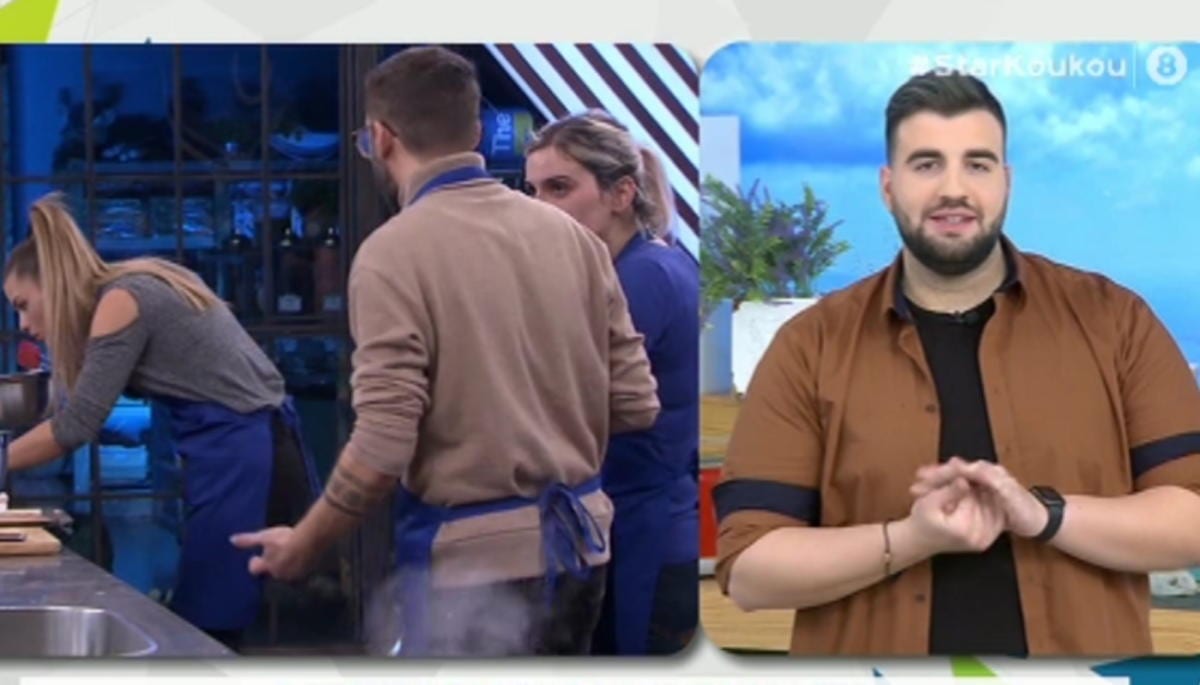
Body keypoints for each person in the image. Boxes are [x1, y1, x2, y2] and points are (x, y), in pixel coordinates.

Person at [712, 71, 1200, 656]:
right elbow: (750, 569)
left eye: (977, 164)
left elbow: (1192, 518)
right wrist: (910, 538)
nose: (953, 189)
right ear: (888, 186)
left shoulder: (1115, 321)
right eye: (926, 164)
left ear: (1006, 181)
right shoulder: (809, 345)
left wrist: (1042, 514)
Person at [230, 46, 660, 657]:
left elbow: (382, 447)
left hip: (471, 575)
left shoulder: (392, 253)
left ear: (381, 138)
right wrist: (539, 424)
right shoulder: (577, 240)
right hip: (581, 556)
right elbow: (638, 404)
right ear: (476, 132)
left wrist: (306, 542)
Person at [2, 193, 320, 650]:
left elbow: (75, 425)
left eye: (23, 303)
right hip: (232, 444)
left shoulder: (122, 301)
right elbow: (67, 401)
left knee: (210, 620)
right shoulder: (126, 287)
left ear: (52, 283)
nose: (22, 321)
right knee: (209, 612)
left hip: (239, 446)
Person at [524, 110, 699, 655]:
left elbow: (570, 399)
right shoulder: (649, 263)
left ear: (622, 194)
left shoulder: (642, 277)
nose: (539, 207)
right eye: (532, 190)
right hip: (637, 525)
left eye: (559, 188)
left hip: (644, 536)